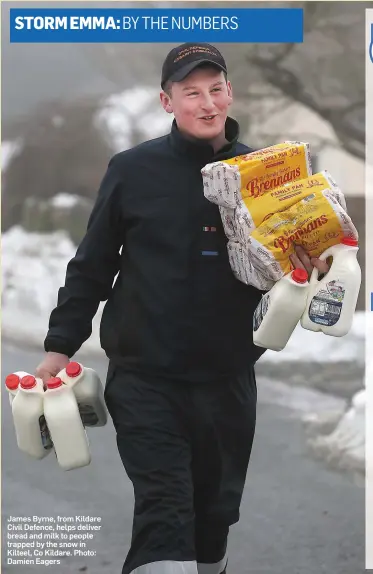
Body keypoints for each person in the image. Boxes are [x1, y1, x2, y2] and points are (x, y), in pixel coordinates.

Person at [35, 43, 330, 574]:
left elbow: (298, 273)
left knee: (212, 521)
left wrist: (314, 263)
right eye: (191, 92)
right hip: (145, 377)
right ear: (167, 101)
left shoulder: (267, 179)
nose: (207, 102)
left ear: (230, 92)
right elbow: (92, 265)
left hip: (227, 378)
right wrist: (60, 347)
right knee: (164, 512)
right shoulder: (133, 170)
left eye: (215, 89)